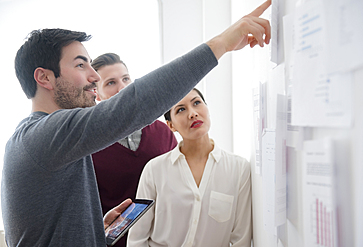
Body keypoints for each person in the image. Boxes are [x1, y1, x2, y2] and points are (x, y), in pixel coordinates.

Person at [1, 0, 271, 246]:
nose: (94, 76)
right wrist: (221, 43)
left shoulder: (48, 140)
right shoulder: (41, 137)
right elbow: (133, 105)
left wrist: (95, 232)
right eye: (81, 65)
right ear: (44, 78)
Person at [127, 88, 252, 246]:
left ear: (207, 108)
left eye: (197, 103)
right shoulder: (154, 170)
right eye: (181, 109)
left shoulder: (239, 169)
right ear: (171, 125)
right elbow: (137, 238)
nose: (192, 113)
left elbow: (241, 238)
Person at [91, 53, 177, 247]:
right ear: (96, 93)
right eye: (111, 83)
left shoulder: (162, 132)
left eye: (125, 79)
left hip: (163, 240)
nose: (122, 87)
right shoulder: (90, 145)